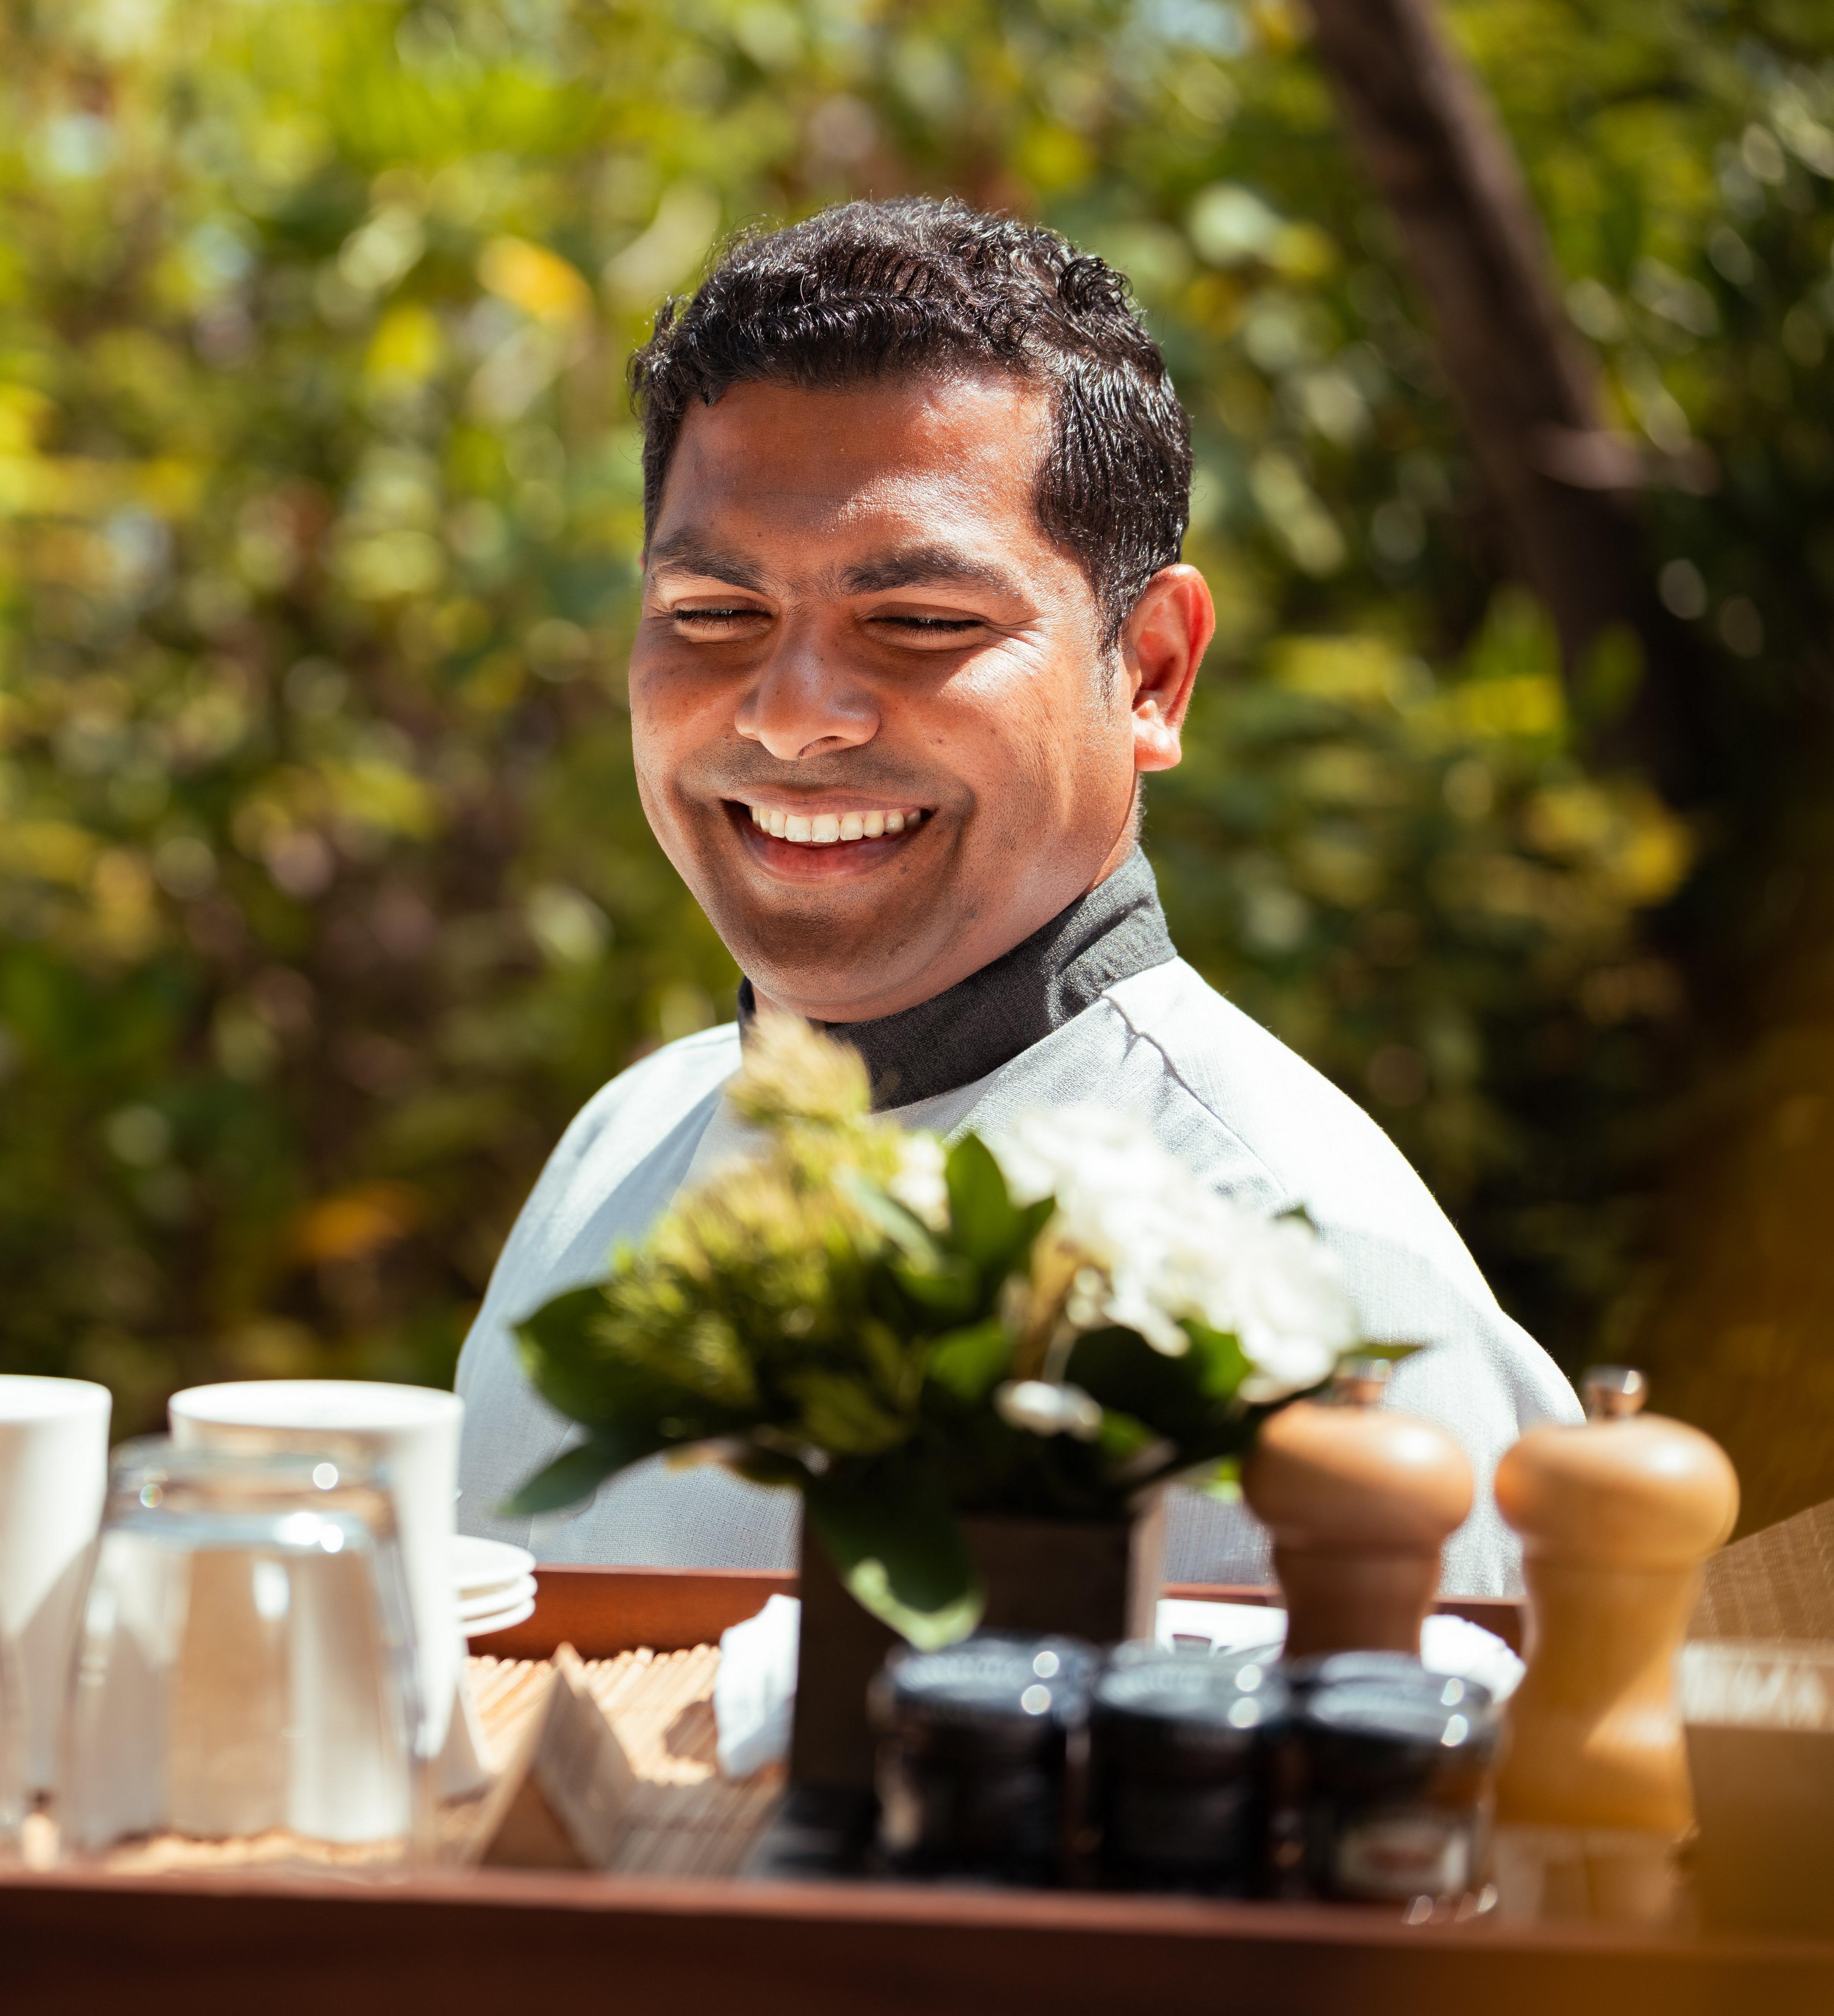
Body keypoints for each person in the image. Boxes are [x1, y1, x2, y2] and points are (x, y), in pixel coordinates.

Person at [452, 197, 1578, 1596]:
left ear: (1153, 670)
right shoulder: (614, 1153)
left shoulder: (1301, 1275)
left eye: (920, 624)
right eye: (712, 617)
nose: (796, 719)